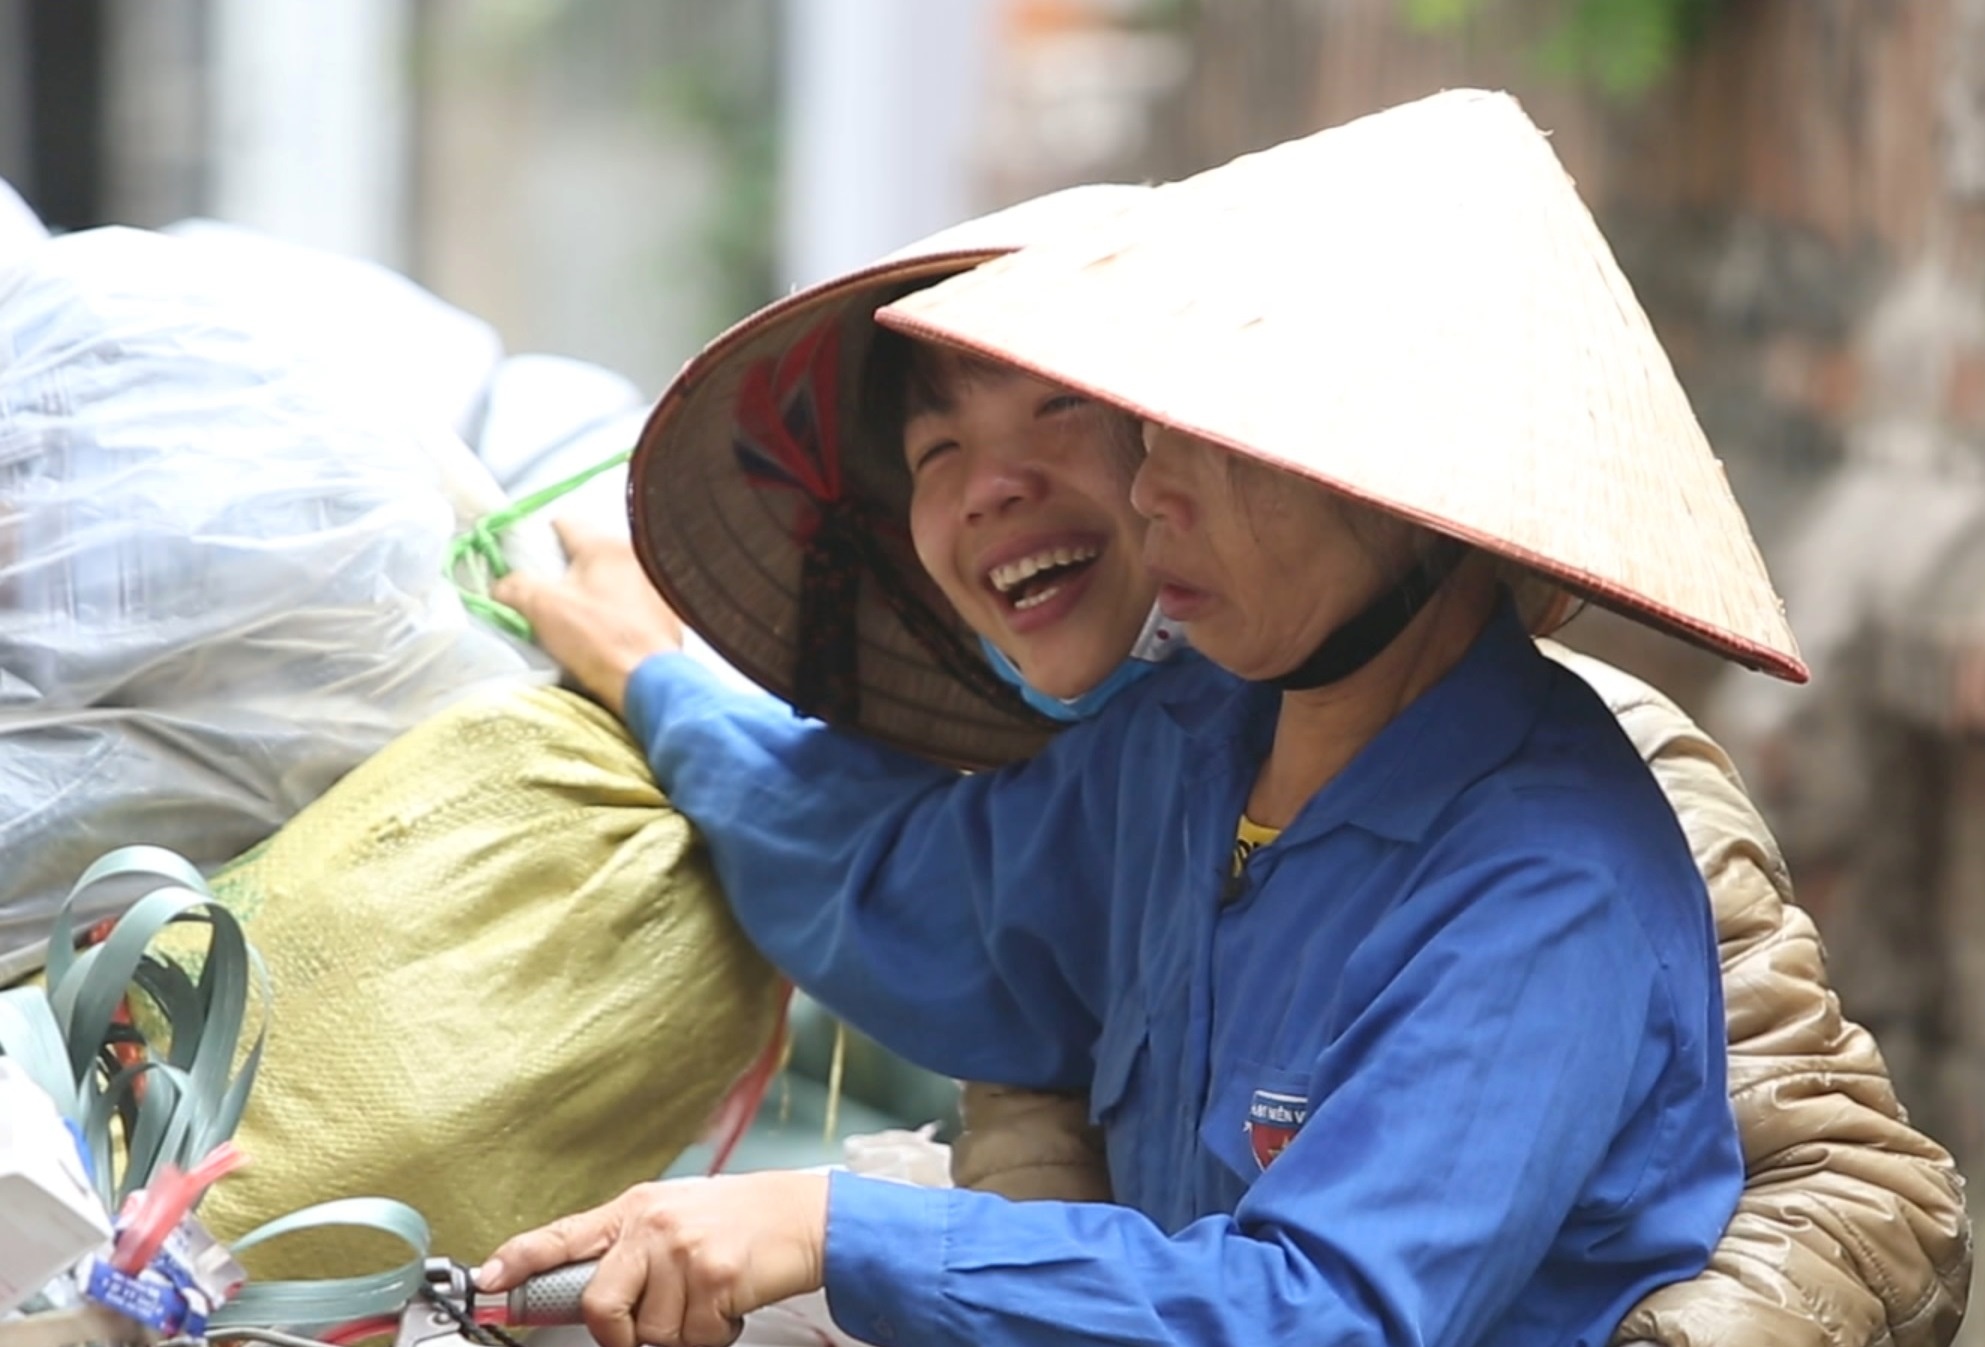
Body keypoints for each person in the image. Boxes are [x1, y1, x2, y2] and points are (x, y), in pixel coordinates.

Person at [489, 94, 1968, 1347]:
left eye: (1219, 448)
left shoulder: (1549, 871)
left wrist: (839, 1228)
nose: (1148, 493)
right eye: (1149, 434)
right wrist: (657, 685)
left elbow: (1321, 1315)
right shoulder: (1180, 749)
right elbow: (913, 896)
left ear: (1410, 494)